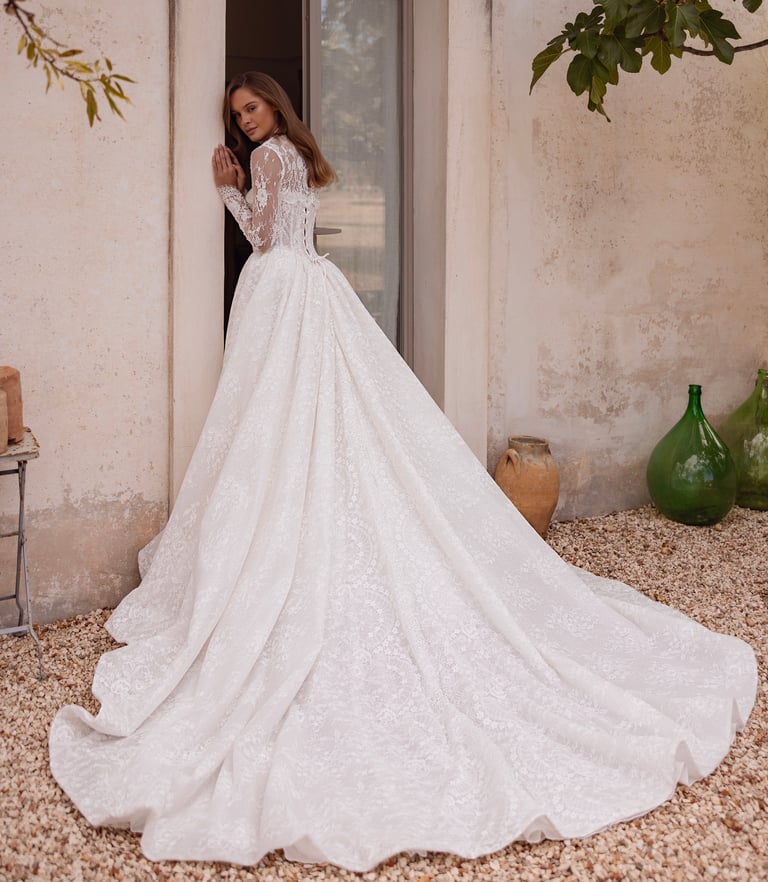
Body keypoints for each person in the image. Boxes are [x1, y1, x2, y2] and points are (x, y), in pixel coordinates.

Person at [49, 72, 757, 873]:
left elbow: (266, 239)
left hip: (283, 290)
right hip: (301, 291)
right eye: (237, 117)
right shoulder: (294, 156)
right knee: (299, 423)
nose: (244, 125)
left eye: (251, 111)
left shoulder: (273, 160)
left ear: (275, 109)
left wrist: (225, 188)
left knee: (275, 422)